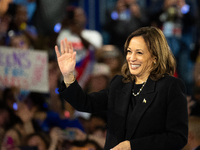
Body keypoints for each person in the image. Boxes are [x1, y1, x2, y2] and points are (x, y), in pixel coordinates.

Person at [55, 26, 188, 149]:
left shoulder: (170, 86)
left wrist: (132, 146)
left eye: (139, 53)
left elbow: (177, 138)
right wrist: (68, 75)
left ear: (154, 57)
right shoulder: (119, 84)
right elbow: (85, 103)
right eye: (129, 51)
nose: (131, 58)